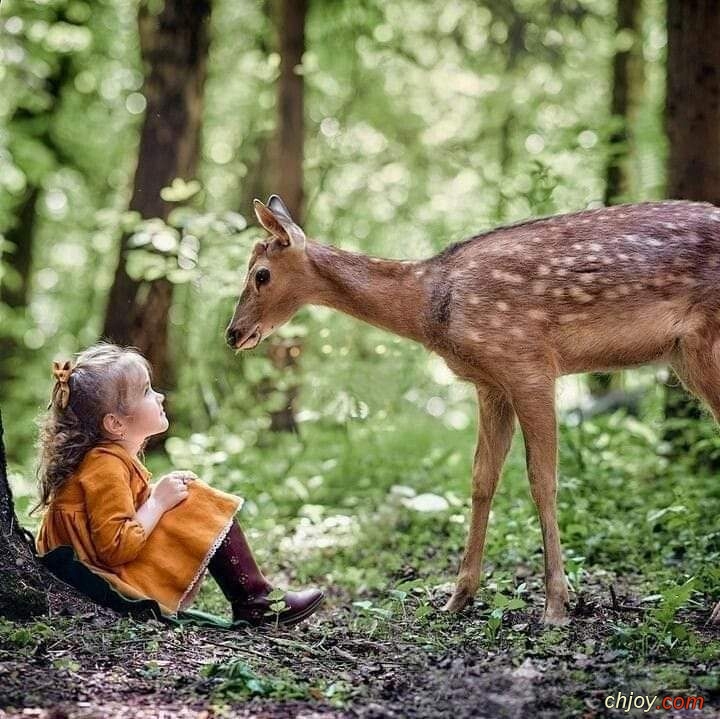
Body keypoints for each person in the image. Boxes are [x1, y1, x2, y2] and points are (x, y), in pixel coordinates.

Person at [34, 343, 323, 626]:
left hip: (102, 573)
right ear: (115, 424)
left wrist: (158, 500)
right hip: (106, 584)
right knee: (192, 498)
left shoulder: (108, 460)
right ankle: (256, 600)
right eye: (146, 391)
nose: (158, 396)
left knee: (183, 492)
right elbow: (115, 547)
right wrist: (157, 502)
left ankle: (255, 598)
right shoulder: (104, 466)